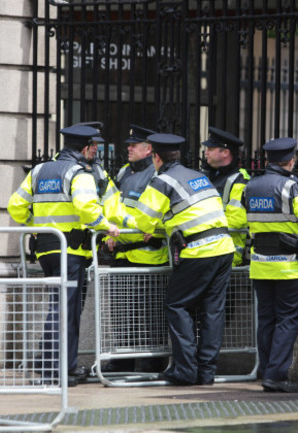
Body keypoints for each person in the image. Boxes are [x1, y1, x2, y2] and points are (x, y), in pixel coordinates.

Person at [7, 124, 123, 387]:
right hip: (69, 252)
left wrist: (35, 226)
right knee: (62, 311)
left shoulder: (39, 170)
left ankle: (67, 367)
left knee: (67, 310)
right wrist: (107, 226)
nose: (94, 150)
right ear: (83, 148)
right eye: (92, 146)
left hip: (47, 250)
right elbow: (87, 210)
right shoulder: (79, 173)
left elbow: (15, 206)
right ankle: (52, 371)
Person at [130, 133, 235, 386]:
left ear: (156, 157)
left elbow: (143, 221)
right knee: (212, 311)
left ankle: (185, 371)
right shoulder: (199, 176)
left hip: (198, 250)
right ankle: (206, 373)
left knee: (178, 306)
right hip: (224, 248)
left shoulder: (162, 181)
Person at [243, 137, 298, 393]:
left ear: (268, 160)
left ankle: (267, 370)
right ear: (291, 160)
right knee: (287, 321)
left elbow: (242, 219)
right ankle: (276, 376)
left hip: (260, 265)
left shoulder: (250, 186)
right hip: (291, 268)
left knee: (267, 320)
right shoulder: (297, 188)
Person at [103, 125, 169, 373]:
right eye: (128, 144)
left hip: (148, 257)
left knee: (149, 315)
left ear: (149, 149)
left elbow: (163, 213)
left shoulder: (157, 175)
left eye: (134, 145)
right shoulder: (123, 172)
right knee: (122, 313)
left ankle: (152, 363)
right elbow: (112, 209)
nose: (128, 148)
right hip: (122, 255)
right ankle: (122, 362)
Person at [201, 126, 250, 267]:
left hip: (227, 256)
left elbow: (236, 220)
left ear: (225, 153)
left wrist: (201, 226)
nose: (206, 152)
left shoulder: (240, 180)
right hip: (205, 252)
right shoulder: (208, 176)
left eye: (211, 149)